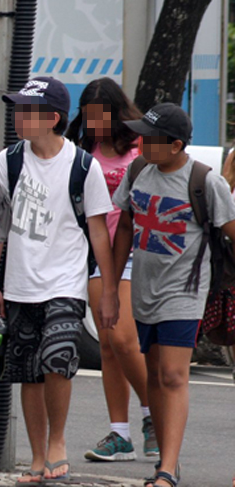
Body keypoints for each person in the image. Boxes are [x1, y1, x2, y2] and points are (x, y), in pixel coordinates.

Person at [0, 77, 119, 485]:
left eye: (26, 110)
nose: (18, 116)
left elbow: (99, 232)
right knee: (28, 372)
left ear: (52, 118)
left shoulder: (82, 166)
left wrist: (108, 290)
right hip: (19, 282)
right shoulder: (9, 161)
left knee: (57, 360)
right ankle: (38, 456)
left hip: (65, 281)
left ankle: (57, 442)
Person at [113, 103, 235, 487]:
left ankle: (167, 468)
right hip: (144, 291)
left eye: (149, 139)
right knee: (152, 374)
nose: (141, 143)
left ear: (176, 144)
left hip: (185, 292)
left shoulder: (204, 181)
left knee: (173, 375)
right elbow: (124, 230)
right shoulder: (137, 172)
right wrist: (111, 290)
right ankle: (166, 463)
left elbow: (231, 230)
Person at [66, 77, 158, 461]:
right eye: (88, 117)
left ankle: (154, 415)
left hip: (134, 249)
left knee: (123, 338)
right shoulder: (82, 147)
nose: (94, 124)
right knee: (106, 343)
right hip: (95, 251)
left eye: (101, 117)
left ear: (119, 114)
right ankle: (119, 433)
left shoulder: (138, 146)